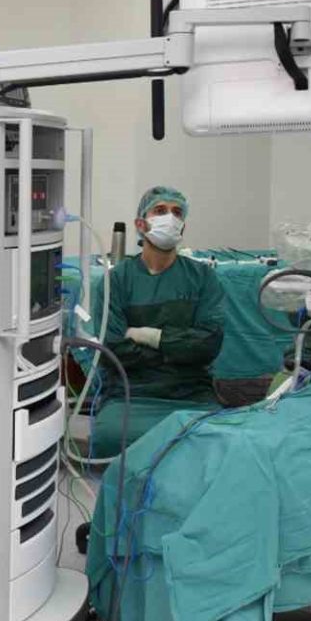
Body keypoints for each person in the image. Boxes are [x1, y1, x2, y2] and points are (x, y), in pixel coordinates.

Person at [88, 186, 226, 458]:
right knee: (109, 436)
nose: (170, 218)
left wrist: (150, 337)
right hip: (131, 393)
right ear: (141, 224)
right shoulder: (116, 281)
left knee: (213, 440)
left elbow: (209, 344)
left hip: (191, 393)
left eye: (177, 213)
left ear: (183, 226)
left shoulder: (202, 278)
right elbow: (112, 349)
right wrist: (179, 350)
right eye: (160, 210)